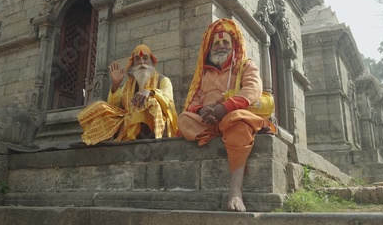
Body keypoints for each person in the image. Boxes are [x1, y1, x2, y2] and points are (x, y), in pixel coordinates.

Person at [179, 18, 276, 212]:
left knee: (238, 122)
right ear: (210, 47)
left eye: (225, 42)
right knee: (183, 119)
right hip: (209, 121)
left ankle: (235, 191)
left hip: (233, 115)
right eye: (217, 43)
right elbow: (193, 102)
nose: (221, 46)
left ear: (234, 46)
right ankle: (219, 130)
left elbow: (252, 90)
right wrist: (202, 110)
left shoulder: (245, 65)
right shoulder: (205, 73)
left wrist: (224, 108)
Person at [78, 44, 178, 145]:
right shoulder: (128, 85)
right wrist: (116, 85)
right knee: (100, 106)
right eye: (137, 59)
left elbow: (168, 101)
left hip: (154, 125)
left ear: (151, 62)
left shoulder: (163, 80)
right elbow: (114, 107)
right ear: (133, 64)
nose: (142, 62)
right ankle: (95, 140)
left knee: (151, 101)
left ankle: (151, 141)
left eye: (145, 58)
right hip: (128, 122)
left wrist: (151, 92)